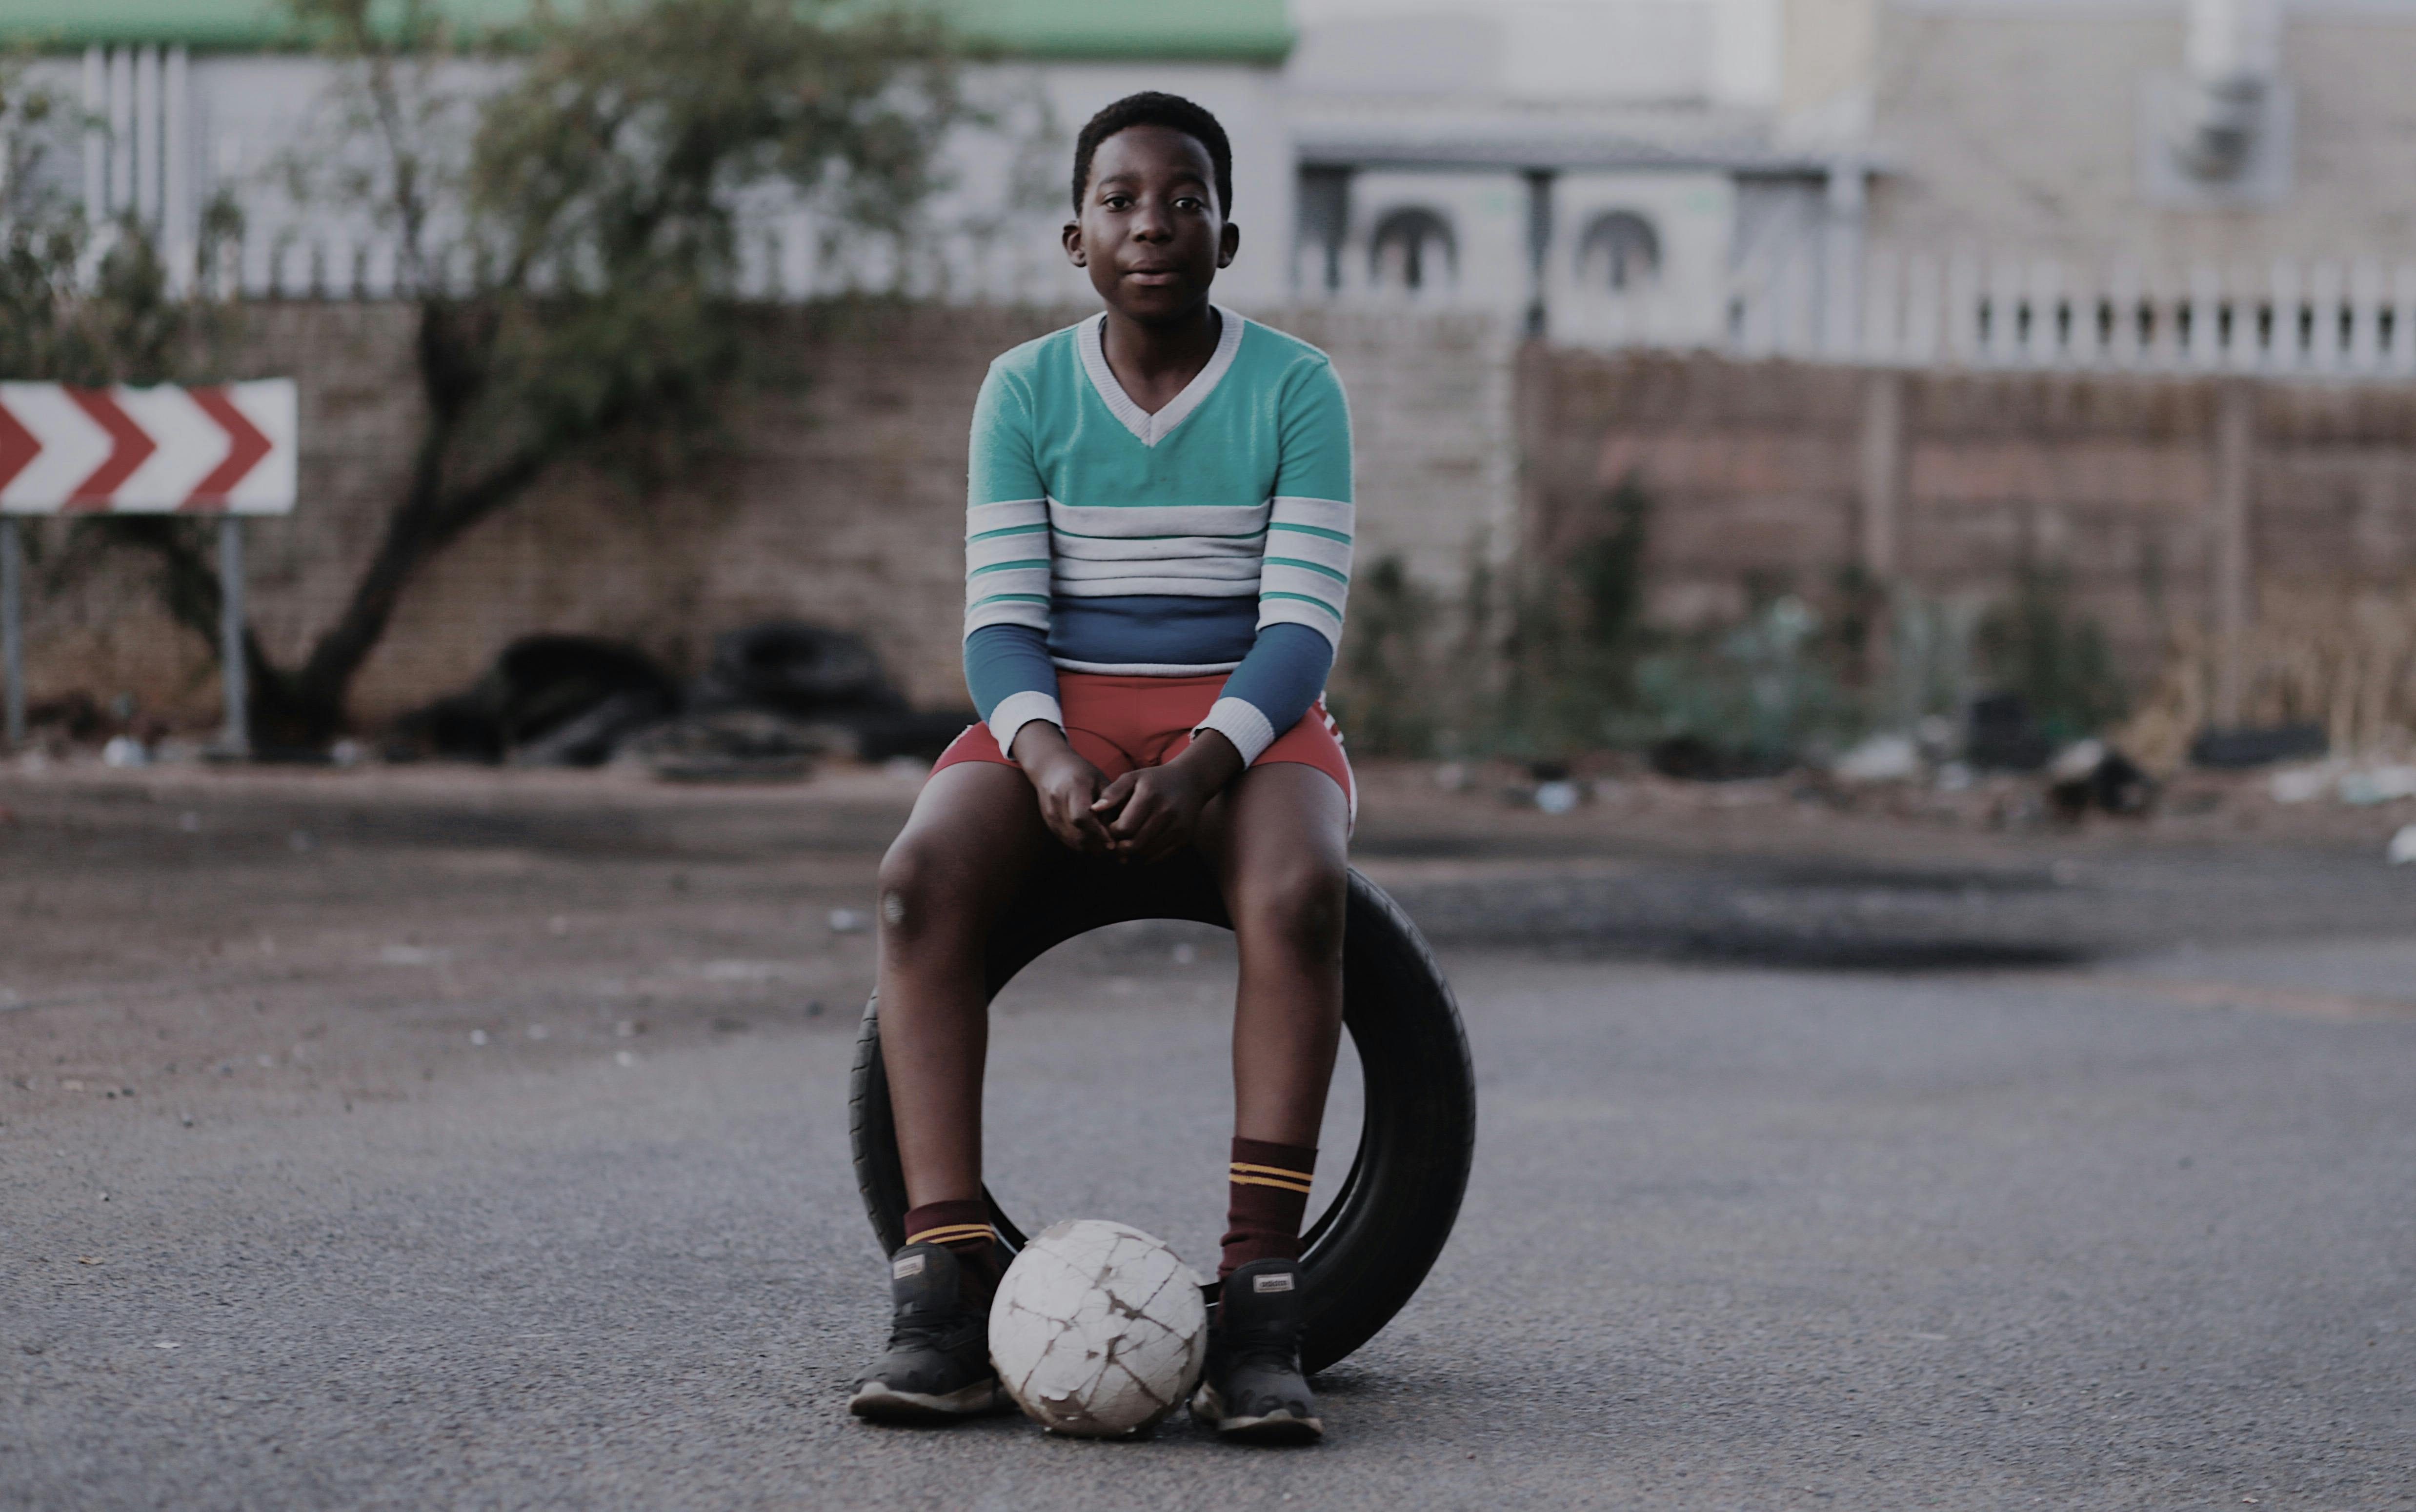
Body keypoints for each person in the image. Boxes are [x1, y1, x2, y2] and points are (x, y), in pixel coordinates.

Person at [846, 91, 1355, 1446]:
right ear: (1076, 237)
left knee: (1304, 892)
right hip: (1057, 710)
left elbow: (1301, 627)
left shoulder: (1298, 386)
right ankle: (947, 1284)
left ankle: (1259, 1295)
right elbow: (1001, 620)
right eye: (1123, 200)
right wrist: (1045, 753)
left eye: (1184, 198)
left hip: (1246, 718)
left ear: (1227, 234)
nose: (1154, 224)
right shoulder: (1023, 388)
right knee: (914, 883)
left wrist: (1202, 765)